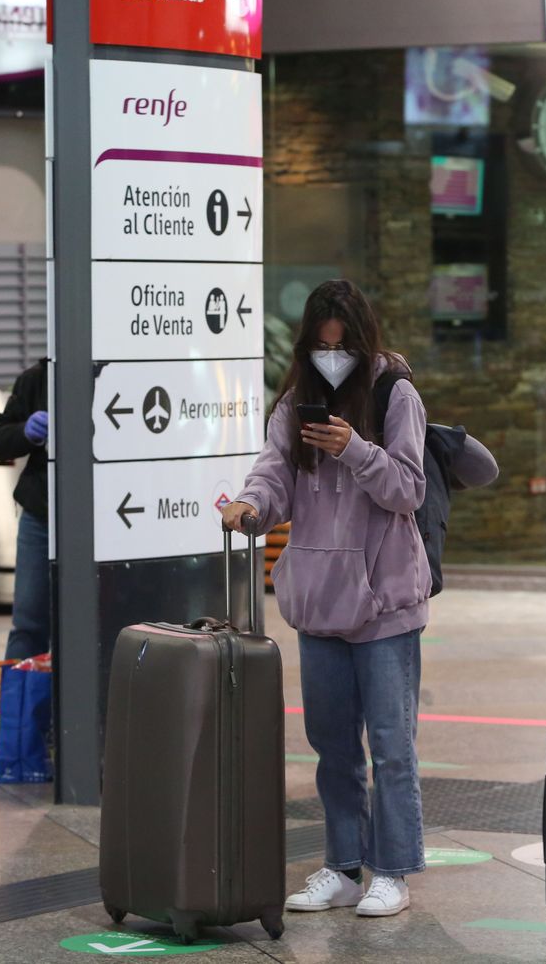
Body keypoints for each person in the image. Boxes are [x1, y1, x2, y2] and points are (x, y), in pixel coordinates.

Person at [221, 280, 439, 920]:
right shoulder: (295, 402)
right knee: (333, 746)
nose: (331, 357)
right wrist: (251, 505)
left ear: (363, 341)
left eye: (342, 346)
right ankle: (343, 866)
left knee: (391, 747)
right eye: (321, 346)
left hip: (385, 603)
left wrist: (355, 449)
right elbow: (273, 474)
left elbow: (408, 489)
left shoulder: (395, 393)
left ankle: (392, 871)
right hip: (318, 600)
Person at [0, 358, 50, 772]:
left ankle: (71, 732)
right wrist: (25, 433)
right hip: (42, 515)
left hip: (104, 519)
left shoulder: (116, 371)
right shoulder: (38, 378)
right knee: (29, 623)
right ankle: (8, 733)